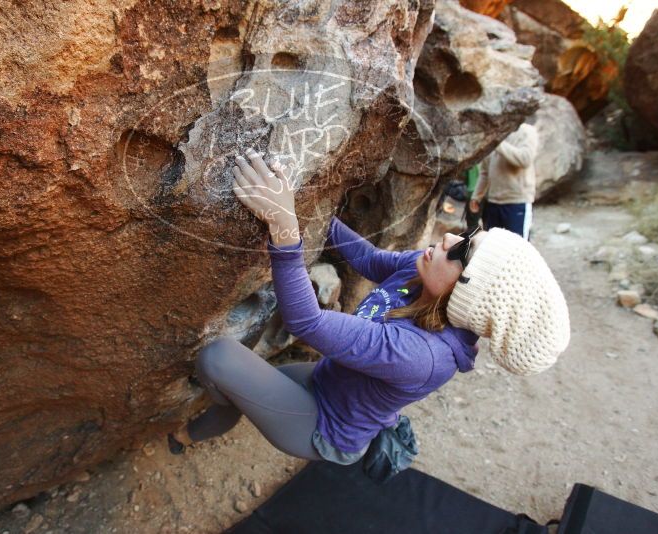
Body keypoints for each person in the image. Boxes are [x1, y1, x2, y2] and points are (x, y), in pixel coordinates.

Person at [167, 147, 570, 465]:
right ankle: (190, 434)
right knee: (241, 387)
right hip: (328, 380)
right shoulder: (423, 274)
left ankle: (210, 415)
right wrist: (310, 206)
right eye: (466, 236)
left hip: (324, 429)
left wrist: (284, 226)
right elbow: (369, 259)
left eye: (462, 253)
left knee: (219, 359)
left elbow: (306, 322)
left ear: (466, 297)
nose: (447, 240)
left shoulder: (423, 356)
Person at [469, 122, 539, 240]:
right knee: (493, 246)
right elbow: (485, 172)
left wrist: (497, 142)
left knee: (517, 247)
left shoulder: (526, 131)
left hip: (516, 202)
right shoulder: (493, 134)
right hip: (493, 202)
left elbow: (525, 159)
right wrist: (476, 196)